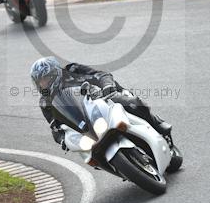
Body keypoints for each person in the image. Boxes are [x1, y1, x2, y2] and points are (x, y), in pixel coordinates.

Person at [30, 57, 173, 149]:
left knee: (134, 103)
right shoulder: (45, 102)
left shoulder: (73, 70)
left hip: (103, 98)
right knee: (84, 147)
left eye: (46, 78)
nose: (44, 84)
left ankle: (158, 124)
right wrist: (61, 139)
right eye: (40, 82)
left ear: (56, 73)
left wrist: (107, 86)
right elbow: (55, 127)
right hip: (86, 121)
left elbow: (101, 75)